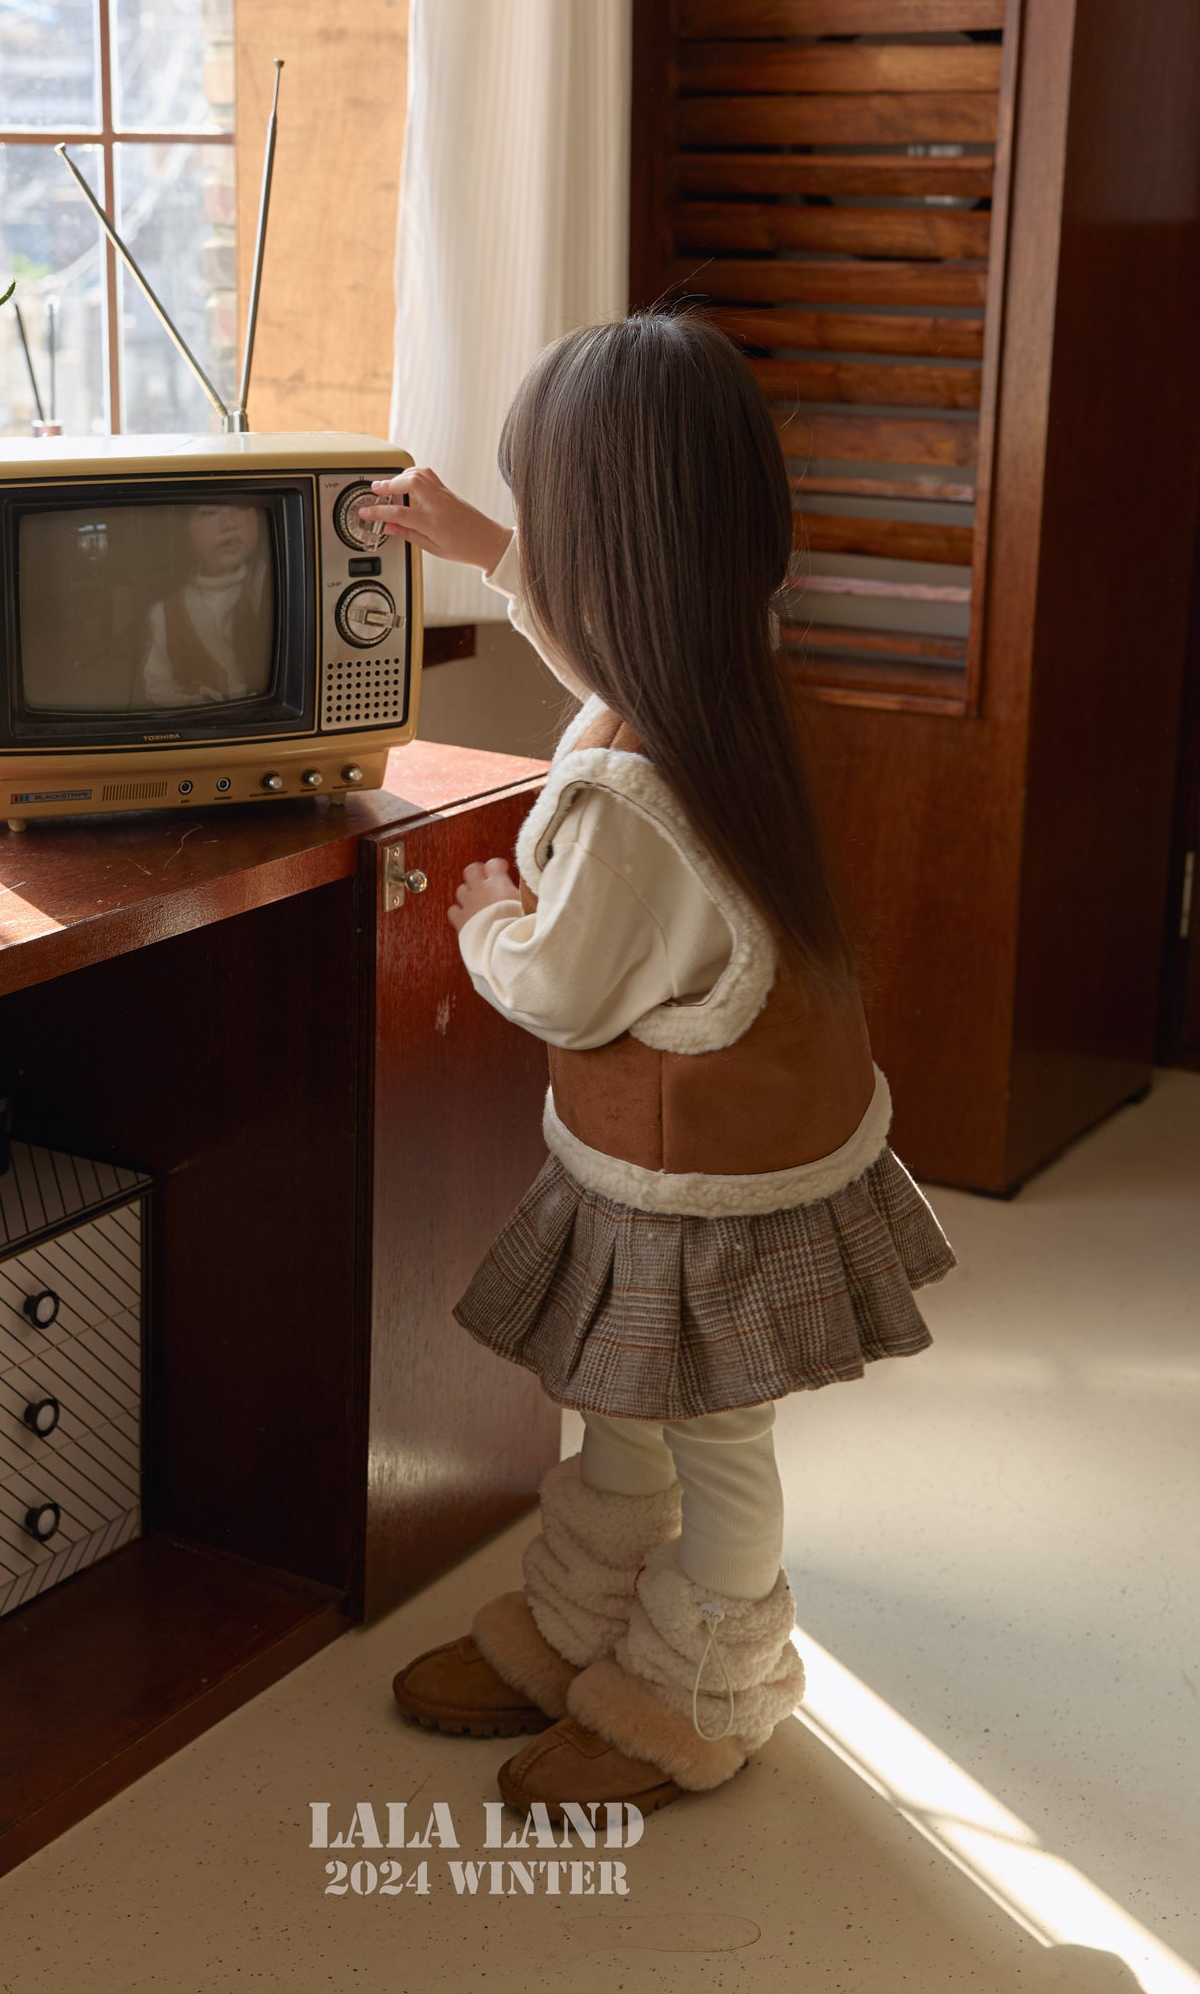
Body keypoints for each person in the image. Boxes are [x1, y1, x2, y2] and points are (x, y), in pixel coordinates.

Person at [357, 312, 956, 1820]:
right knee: (617, 1397)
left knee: (708, 1433)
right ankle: (584, 1622)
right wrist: (492, 543)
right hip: (734, 1142)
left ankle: (701, 1692)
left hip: (701, 1183)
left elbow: (558, 986)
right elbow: (598, 623)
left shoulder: (629, 792)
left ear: (606, 553)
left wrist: (492, 916)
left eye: (546, 524)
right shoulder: (728, 667)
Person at [142, 501, 272, 706]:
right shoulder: (164, 614)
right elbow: (160, 688)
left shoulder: (272, 584)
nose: (229, 523)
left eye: (240, 506)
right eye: (209, 512)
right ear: (185, 531)